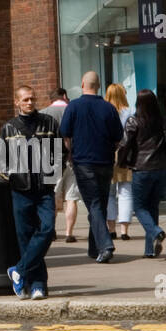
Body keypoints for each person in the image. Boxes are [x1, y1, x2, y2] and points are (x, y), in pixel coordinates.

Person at [0, 84, 61, 299]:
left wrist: (53, 178)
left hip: (44, 189)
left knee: (47, 230)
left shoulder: (49, 123)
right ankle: (37, 285)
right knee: (25, 237)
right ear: (16, 102)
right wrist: (13, 178)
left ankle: (18, 270)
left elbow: (60, 153)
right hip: (21, 190)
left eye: (32, 99)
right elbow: (1, 161)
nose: (29, 103)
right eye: (25, 99)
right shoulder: (9, 128)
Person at [58, 71, 123, 263]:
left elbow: (65, 135)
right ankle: (94, 249)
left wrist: (71, 152)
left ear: (82, 84)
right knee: (99, 205)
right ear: (99, 85)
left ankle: (105, 245)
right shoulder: (109, 108)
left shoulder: (74, 106)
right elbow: (118, 137)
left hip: (83, 161)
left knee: (94, 205)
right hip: (105, 162)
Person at [117, 89, 166, 258]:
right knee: (152, 206)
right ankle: (149, 249)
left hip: (142, 168)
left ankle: (155, 231)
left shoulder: (134, 121)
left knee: (139, 207)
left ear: (138, 103)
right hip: (161, 167)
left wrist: (122, 162)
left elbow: (125, 144)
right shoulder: (163, 120)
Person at [44, 89, 81, 243]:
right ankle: (69, 233)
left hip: (52, 160)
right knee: (71, 198)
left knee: (51, 196)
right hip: (72, 158)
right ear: (65, 97)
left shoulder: (43, 114)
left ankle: (51, 230)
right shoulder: (73, 111)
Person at [105, 83, 134, 241]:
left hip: (108, 154)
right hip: (125, 155)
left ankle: (111, 229)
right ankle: (124, 230)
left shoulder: (105, 111)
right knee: (125, 191)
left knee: (109, 193)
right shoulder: (130, 112)